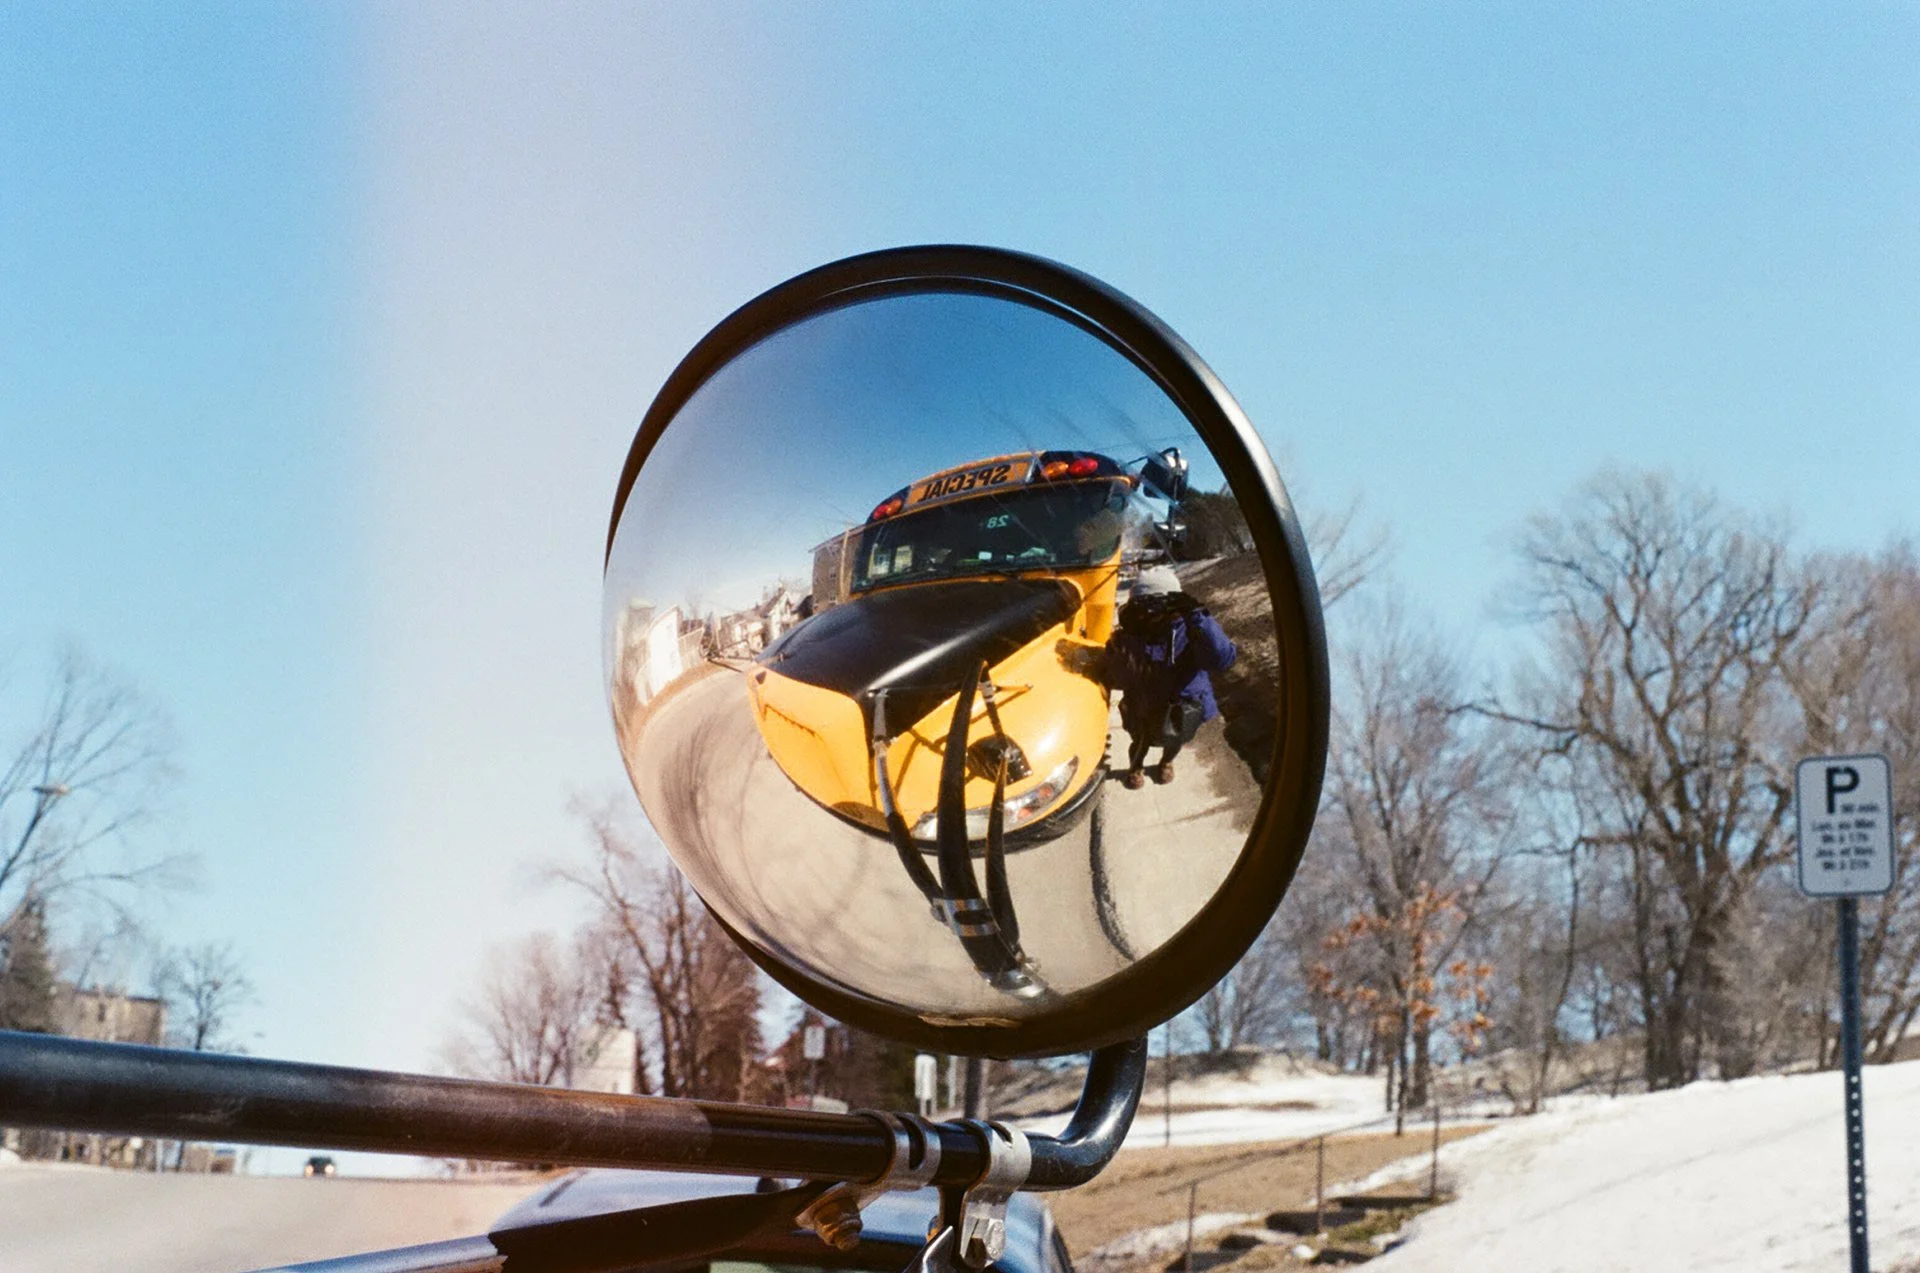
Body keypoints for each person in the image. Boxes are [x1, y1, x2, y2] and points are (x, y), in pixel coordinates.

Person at [1105, 565, 1237, 789]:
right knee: (1140, 742)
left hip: (1182, 708)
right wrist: (1117, 646)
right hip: (1142, 707)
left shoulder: (1192, 629)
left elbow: (1223, 660)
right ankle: (1136, 767)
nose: (1151, 612)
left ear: (1175, 602)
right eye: (1144, 603)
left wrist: (1198, 616)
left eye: (1159, 603)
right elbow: (1115, 677)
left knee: (1176, 740)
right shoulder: (1131, 633)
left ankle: (1166, 763)